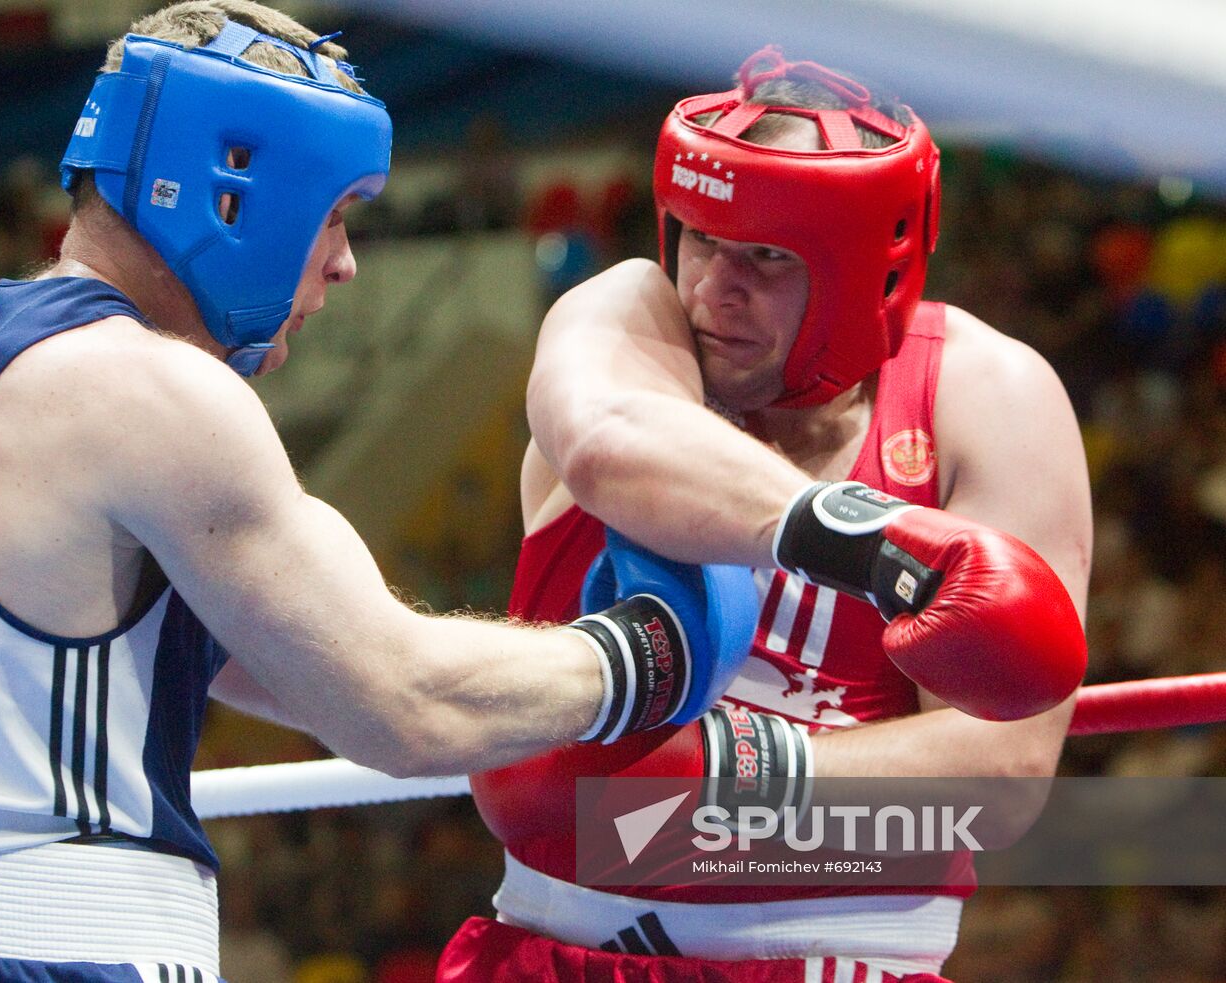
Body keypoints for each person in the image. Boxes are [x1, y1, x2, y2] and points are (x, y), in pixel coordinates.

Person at [0, 4, 763, 981]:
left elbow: (309, 671)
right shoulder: (150, 389)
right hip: (46, 945)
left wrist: (552, 693)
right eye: (334, 212)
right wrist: (645, 653)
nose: (346, 261)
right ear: (234, 197)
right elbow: (397, 700)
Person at [442, 47, 1092, 982]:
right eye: (701, 238)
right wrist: (872, 541)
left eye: (766, 257)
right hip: (561, 952)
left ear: (869, 266)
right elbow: (604, 445)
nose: (712, 289)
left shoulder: (989, 397)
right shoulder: (627, 319)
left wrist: (679, 796)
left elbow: (1001, 776)